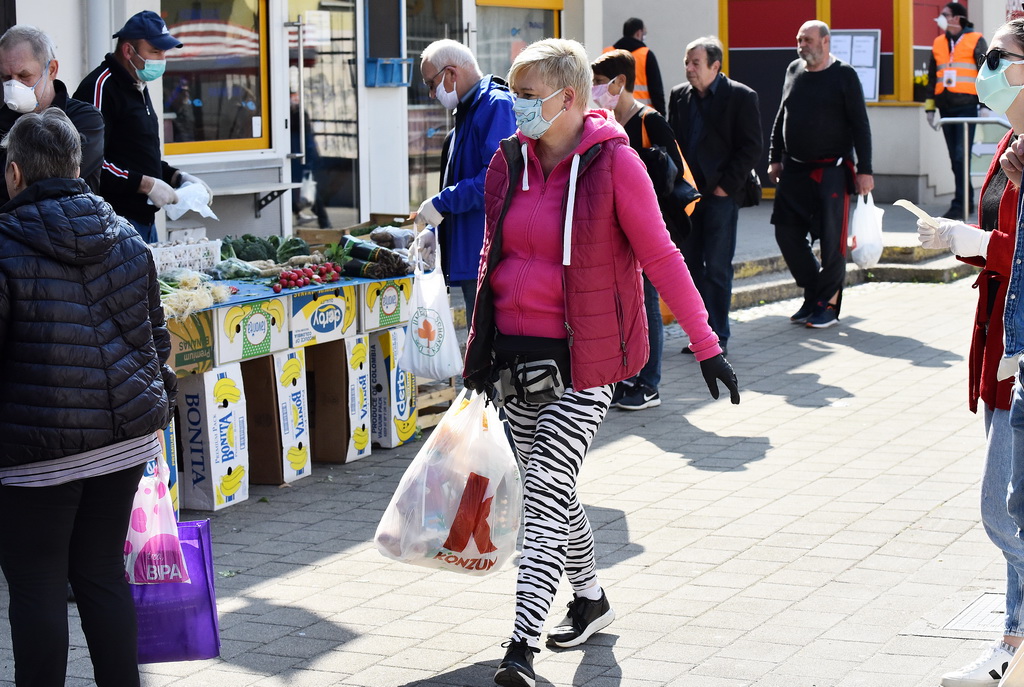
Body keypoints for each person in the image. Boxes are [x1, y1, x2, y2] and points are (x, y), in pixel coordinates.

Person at [460, 38, 740, 687]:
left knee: (545, 491)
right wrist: (478, 349)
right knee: (548, 486)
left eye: (528, 97)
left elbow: (663, 257)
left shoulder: (617, 164)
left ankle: (520, 648)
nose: (517, 108)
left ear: (569, 98)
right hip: (515, 358)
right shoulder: (508, 163)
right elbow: (489, 258)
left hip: (589, 360)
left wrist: (707, 344)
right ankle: (589, 597)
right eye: (514, 94)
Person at [0, 108, 175, 687]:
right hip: (123, 444)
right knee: (101, 574)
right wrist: (158, 410)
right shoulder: (126, 236)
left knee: (37, 584)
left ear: (15, 174)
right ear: (79, 166)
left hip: (35, 455)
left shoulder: (5, 244)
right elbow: (155, 338)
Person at [919, 129, 1022, 685]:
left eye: (1001, 58)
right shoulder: (1012, 138)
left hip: (1019, 353)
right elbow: (999, 236)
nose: (988, 67)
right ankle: (1011, 645)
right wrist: (960, 239)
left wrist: (981, 242)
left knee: (1000, 511)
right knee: (1016, 513)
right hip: (998, 345)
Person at [590, 48, 686, 411]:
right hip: (616, 230)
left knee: (647, 305)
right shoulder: (604, 120)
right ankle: (626, 376)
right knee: (625, 306)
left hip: (647, 227)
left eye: (600, 83)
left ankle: (649, 384)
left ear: (620, 82)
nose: (595, 89)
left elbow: (672, 169)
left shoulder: (649, 120)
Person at [768, 20, 873, 329]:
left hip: (832, 171)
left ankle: (828, 304)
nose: (802, 45)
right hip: (795, 169)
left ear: (826, 42)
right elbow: (781, 116)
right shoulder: (793, 70)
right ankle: (813, 290)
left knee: (831, 243)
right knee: (785, 232)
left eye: (808, 40)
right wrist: (775, 158)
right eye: (799, 40)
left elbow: (860, 125)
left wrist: (865, 170)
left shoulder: (844, 75)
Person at [73, 10, 211, 244]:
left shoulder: (139, 85)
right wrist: (145, 184)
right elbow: (88, 163)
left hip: (145, 222)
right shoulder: (100, 86)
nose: (161, 59)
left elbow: (136, 153)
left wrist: (176, 176)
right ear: (128, 51)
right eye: (155, 52)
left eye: (164, 52)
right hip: (112, 222)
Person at [668, 35, 762, 355]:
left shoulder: (741, 97)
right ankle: (699, 335)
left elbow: (751, 147)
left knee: (718, 267)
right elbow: (672, 144)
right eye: (686, 62)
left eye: (695, 63)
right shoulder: (679, 97)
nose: (688, 68)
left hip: (721, 195)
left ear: (715, 65)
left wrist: (725, 187)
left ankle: (718, 334)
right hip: (688, 197)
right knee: (690, 266)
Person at [413, 39, 516, 328]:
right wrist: (435, 227)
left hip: (488, 255)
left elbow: (494, 181)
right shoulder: (468, 110)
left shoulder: (496, 106)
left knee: (488, 352)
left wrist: (440, 204)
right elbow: (458, 178)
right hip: (472, 254)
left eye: (431, 84)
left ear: (451, 73)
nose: (432, 94)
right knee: (481, 349)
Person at [0, 25, 104, 203]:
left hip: (71, 228)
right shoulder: (2, 121)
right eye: (6, 78)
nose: (14, 85)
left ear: (52, 70)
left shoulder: (85, 119)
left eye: (24, 76)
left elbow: (58, 180)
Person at [925, 2, 987, 220]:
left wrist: (985, 105)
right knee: (954, 158)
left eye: (945, 14)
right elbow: (932, 77)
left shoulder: (975, 39)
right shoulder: (938, 42)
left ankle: (961, 202)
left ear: (957, 18)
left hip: (967, 106)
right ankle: (964, 201)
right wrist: (930, 109)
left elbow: (985, 72)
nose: (940, 18)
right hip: (946, 107)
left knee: (961, 157)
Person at [605, 17, 665, 115]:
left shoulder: (607, 53)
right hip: (642, 115)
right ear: (638, 33)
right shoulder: (646, 55)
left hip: (613, 113)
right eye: (644, 34)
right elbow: (656, 90)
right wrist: (662, 115)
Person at [290, 94, 331, 229]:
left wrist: (311, 162)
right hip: (296, 160)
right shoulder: (295, 115)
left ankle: (323, 222)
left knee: (309, 192)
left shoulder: (299, 116)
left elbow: (309, 142)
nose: (295, 101)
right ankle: (300, 213)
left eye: (296, 98)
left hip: (301, 161)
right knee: (296, 191)